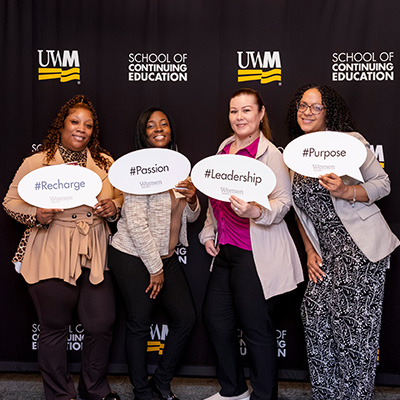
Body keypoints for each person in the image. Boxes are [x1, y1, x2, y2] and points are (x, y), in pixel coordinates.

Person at [3, 94, 122, 400]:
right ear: (62, 125)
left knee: (100, 322)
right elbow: (10, 201)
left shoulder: (106, 163)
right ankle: (60, 395)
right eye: (74, 121)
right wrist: (35, 215)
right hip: (51, 245)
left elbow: (121, 198)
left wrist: (113, 206)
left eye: (88, 125)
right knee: (54, 326)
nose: (81, 129)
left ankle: (94, 390)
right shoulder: (38, 162)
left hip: (93, 248)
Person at [287, 84, 400, 400]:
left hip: (359, 250)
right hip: (325, 254)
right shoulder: (296, 154)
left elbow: (383, 184)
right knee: (316, 318)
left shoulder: (349, 144)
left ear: (329, 112)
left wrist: (346, 191)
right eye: (302, 105)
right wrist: (309, 249)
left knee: (353, 333)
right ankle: (328, 395)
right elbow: (299, 211)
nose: (307, 112)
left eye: (315, 106)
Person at [199, 88, 303, 400]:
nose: (239, 117)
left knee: (257, 329)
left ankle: (263, 396)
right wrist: (207, 232)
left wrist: (255, 211)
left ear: (260, 114)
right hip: (225, 253)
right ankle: (232, 390)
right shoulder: (225, 148)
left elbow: (284, 203)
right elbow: (213, 198)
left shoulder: (272, 155)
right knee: (216, 319)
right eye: (234, 111)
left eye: (246, 110)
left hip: (255, 255)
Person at [109, 107, 200, 400]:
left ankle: (161, 381)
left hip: (166, 256)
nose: (158, 128)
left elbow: (187, 219)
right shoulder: (137, 168)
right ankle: (141, 391)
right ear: (143, 133)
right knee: (139, 323)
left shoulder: (178, 168)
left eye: (163, 124)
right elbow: (135, 223)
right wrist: (154, 268)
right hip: (133, 256)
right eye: (151, 125)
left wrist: (193, 199)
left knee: (185, 318)